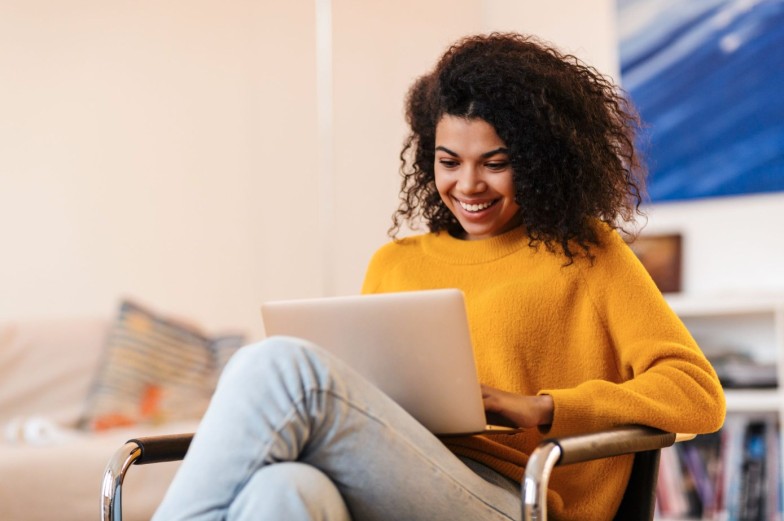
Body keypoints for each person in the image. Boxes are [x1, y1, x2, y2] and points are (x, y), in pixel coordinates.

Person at [153, 33, 725, 521]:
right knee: (283, 491)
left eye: (495, 163)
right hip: (404, 473)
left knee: (277, 365)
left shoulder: (586, 253)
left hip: (516, 496)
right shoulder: (395, 263)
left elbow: (698, 394)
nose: (468, 185)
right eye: (449, 161)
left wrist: (544, 407)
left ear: (540, 160)